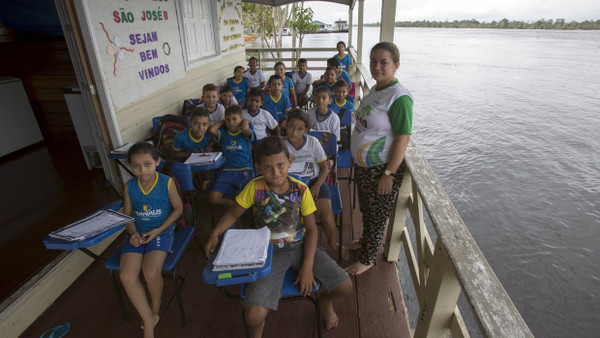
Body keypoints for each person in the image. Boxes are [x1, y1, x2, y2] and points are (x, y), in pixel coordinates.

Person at [204, 136, 352, 337]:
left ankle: (325, 302)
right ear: (258, 167)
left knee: (345, 285)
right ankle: (258, 330)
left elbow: (312, 230)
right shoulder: (254, 188)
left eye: (280, 165)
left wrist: (307, 267)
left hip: (301, 247)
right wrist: (215, 232)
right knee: (253, 317)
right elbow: (232, 213)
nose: (275, 173)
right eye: (268, 168)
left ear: (290, 161)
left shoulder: (301, 189)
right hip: (266, 252)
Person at [346, 42, 413, 275]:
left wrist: (389, 174)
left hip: (380, 169)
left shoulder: (399, 97)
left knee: (377, 216)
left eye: (384, 62)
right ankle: (366, 241)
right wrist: (356, 154)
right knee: (366, 209)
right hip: (365, 165)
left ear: (396, 65)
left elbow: (403, 138)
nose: (377, 66)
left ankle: (367, 259)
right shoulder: (376, 89)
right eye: (373, 61)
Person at [120, 142, 183, 338]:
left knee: (150, 273)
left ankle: (155, 308)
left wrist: (158, 230)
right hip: (137, 235)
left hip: (161, 232)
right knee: (126, 277)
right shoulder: (130, 186)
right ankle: (148, 319)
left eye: (147, 164)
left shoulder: (166, 182)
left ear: (157, 162)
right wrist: (133, 234)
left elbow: (178, 209)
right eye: (136, 165)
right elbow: (128, 215)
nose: (142, 170)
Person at [285, 109, 343, 255]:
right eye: (291, 126)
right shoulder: (281, 145)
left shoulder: (313, 142)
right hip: (290, 185)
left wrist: (317, 186)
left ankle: (331, 241)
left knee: (326, 214)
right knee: (292, 216)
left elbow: (325, 168)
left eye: (300, 129)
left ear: (306, 130)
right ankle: (302, 246)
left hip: (313, 181)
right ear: (286, 125)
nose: (294, 132)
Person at [208, 105, 255, 207]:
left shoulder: (244, 133)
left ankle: (242, 208)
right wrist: (222, 121)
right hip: (227, 171)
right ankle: (237, 207)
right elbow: (212, 130)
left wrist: (245, 122)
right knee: (213, 197)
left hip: (244, 169)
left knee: (250, 195)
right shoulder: (224, 134)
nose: (231, 122)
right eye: (228, 120)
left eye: (234, 119)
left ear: (241, 119)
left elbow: (245, 128)